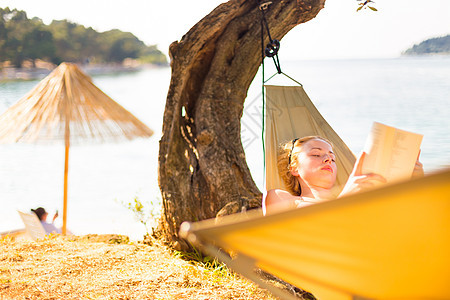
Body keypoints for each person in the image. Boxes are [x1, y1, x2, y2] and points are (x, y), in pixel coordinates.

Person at [263, 136, 424, 215]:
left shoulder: (359, 200)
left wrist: (416, 183)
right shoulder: (283, 198)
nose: (327, 159)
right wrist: (347, 197)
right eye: (316, 155)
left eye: (332, 158)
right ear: (294, 168)